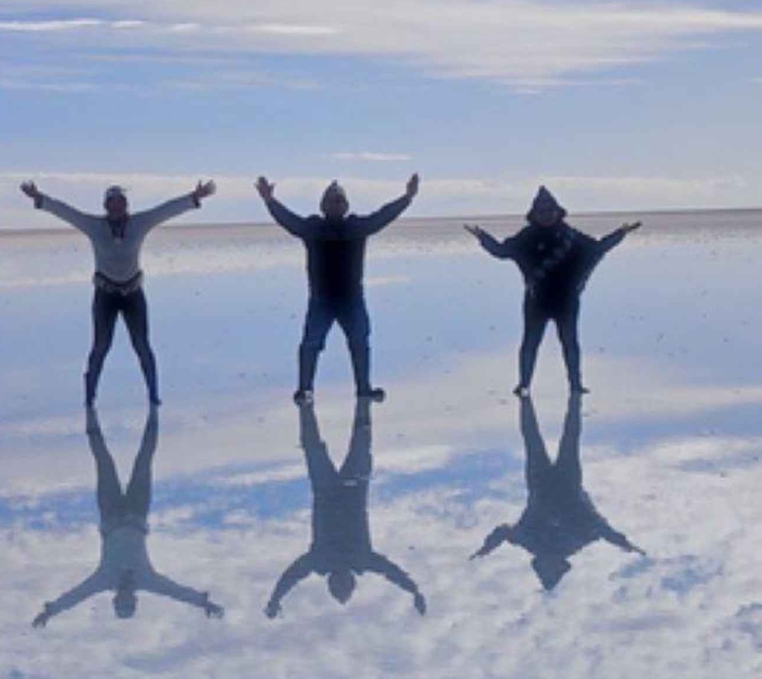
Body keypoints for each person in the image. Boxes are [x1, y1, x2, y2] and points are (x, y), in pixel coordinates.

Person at [20, 180, 215, 406]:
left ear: (126, 205)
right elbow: (68, 213)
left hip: (133, 293)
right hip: (105, 295)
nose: (116, 207)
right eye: (112, 203)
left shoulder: (139, 223)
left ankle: (153, 395)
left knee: (142, 346)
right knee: (100, 347)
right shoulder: (94, 226)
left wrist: (193, 198)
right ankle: (89, 396)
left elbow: (165, 211)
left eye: (120, 202)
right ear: (106, 206)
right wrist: (39, 198)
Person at [33, 407, 223, 625]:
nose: (125, 598)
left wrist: (50, 612)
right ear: (134, 600)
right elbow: (175, 591)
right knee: (144, 459)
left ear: (115, 600)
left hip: (111, 513)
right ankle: (153, 409)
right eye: (129, 602)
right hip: (137, 512)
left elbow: (77, 595)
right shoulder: (146, 579)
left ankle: (90, 410)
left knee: (103, 461)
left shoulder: (104, 579)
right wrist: (204, 603)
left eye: (121, 603)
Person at [256, 173, 418, 404]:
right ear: (323, 206)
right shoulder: (313, 228)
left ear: (346, 206)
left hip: (352, 299)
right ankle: (305, 389)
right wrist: (270, 201)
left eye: (340, 200)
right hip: (321, 300)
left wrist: (407, 198)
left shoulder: (356, 227)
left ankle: (364, 389)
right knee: (311, 343)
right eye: (333, 200)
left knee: (360, 342)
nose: (337, 204)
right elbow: (289, 220)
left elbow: (383, 216)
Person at [466, 187, 639, 396]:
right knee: (530, 344)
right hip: (536, 300)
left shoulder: (570, 235)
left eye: (550, 211)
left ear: (558, 212)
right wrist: (482, 236)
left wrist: (620, 233)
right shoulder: (527, 236)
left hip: (566, 301)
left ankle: (576, 384)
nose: (546, 215)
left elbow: (597, 248)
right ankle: (524, 384)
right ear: (534, 214)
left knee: (570, 343)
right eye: (542, 212)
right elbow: (502, 251)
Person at [265, 398, 426, 618]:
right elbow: (391, 572)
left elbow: (291, 577)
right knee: (326, 446)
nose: (340, 581)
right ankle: (314, 406)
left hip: (341, 489)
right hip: (339, 489)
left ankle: (348, 403)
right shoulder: (337, 560)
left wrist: (414, 591)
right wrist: (413, 591)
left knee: (351, 443)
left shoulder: (344, 560)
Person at [471, 394, 643, 591]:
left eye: (543, 566)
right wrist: (624, 544)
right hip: (568, 483)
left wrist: (487, 547)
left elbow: (504, 531)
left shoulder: (531, 543)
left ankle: (526, 398)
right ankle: (575, 395)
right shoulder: (573, 542)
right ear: (559, 564)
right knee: (569, 437)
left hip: (541, 482)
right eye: (549, 567)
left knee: (534, 438)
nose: (545, 562)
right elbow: (601, 529)